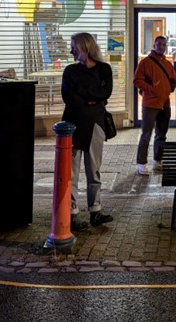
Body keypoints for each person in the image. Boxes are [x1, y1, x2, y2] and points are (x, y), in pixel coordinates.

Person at [60, 32, 114, 231]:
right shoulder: (70, 71)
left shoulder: (104, 69)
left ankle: (96, 210)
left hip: (95, 125)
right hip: (72, 127)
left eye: (74, 46)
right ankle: (71, 213)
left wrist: (82, 93)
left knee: (94, 169)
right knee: (71, 173)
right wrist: (92, 98)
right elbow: (69, 98)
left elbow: (105, 93)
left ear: (84, 47)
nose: (71, 50)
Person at [133, 35, 176, 176]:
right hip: (150, 103)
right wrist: (151, 89)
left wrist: (169, 89)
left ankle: (158, 161)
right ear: (154, 45)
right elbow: (137, 80)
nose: (162, 47)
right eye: (159, 44)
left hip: (165, 103)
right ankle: (141, 163)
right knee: (146, 134)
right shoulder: (145, 62)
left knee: (161, 134)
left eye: (164, 44)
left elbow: (173, 78)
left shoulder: (167, 63)